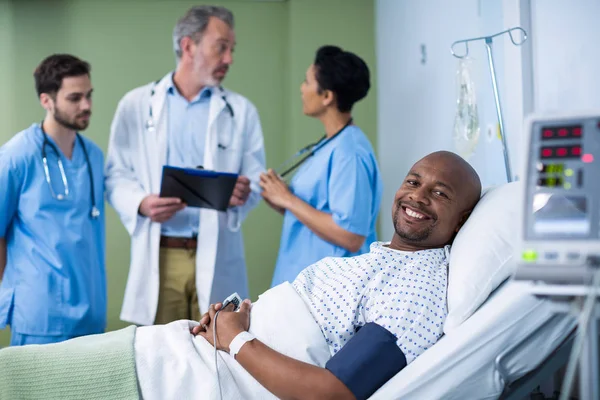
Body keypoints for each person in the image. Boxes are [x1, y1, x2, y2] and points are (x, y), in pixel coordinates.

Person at [0, 151, 480, 400]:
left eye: (441, 194)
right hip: (185, 350)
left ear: (460, 219)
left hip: (183, 375)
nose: (416, 197)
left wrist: (235, 340)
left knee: (16, 376)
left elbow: (334, 393)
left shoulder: (418, 289)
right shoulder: (386, 259)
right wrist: (239, 320)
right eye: (414, 181)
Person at [104, 5, 266, 327]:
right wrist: (141, 203)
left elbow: (256, 179)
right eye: (222, 47)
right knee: (158, 358)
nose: (229, 59)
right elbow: (116, 173)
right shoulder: (136, 105)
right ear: (189, 46)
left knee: (217, 353)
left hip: (217, 251)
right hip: (161, 254)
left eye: (232, 49)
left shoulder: (240, 111)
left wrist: (243, 192)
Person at [0, 54, 106, 346]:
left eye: (88, 95)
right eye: (75, 98)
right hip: (41, 316)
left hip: (92, 316)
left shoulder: (94, 156)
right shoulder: (17, 155)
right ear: (47, 100)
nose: (86, 106)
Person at [261, 45, 383, 287]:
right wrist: (278, 199)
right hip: (301, 285)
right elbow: (319, 213)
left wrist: (288, 199)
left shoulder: (350, 152)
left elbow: (351, 236)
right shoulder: (330, 145)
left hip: (328, 291)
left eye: (307, 82)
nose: (302, 89)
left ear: (327, 96)